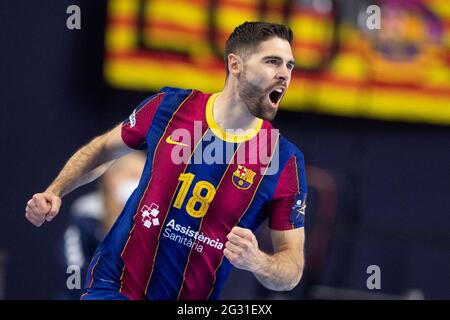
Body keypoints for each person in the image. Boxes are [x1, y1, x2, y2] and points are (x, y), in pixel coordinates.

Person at [25, 21, 308, 300]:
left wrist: (257, 260)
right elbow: (102, 149)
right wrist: (55, 190)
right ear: (235, 65)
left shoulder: (284, 161)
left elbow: (291, 271)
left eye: (289, 65)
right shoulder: (170, 108)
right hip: (115, 287)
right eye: (273, 61)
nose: (284, 74)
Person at [56, 152, 145, 299]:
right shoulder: (87, 212)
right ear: (112, 178)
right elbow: (73, 265)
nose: (139, 183)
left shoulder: (148, 216)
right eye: (133, 175)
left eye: (144, 178)